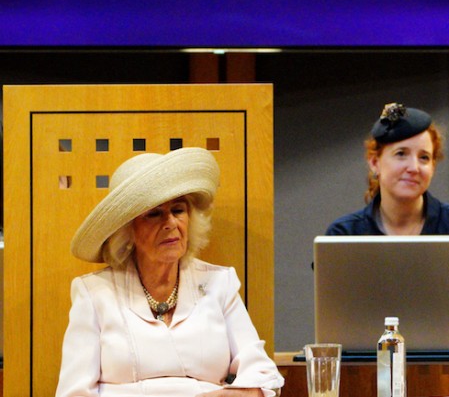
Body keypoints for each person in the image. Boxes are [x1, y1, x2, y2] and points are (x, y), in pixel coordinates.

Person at [56, 147, 284, 397]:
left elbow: (261, 373)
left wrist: (238, 395)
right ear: (128, 231)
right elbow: (73, 392)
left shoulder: (220, 283)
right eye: (154, 214)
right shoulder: (94, 292)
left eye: (178, 210)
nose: (171, 223)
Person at [327, 103, 449, 235]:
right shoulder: (345, 234)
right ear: (374, 163)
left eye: (424, 157)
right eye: (401, 154)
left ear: (433, 166)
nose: (414, 168)